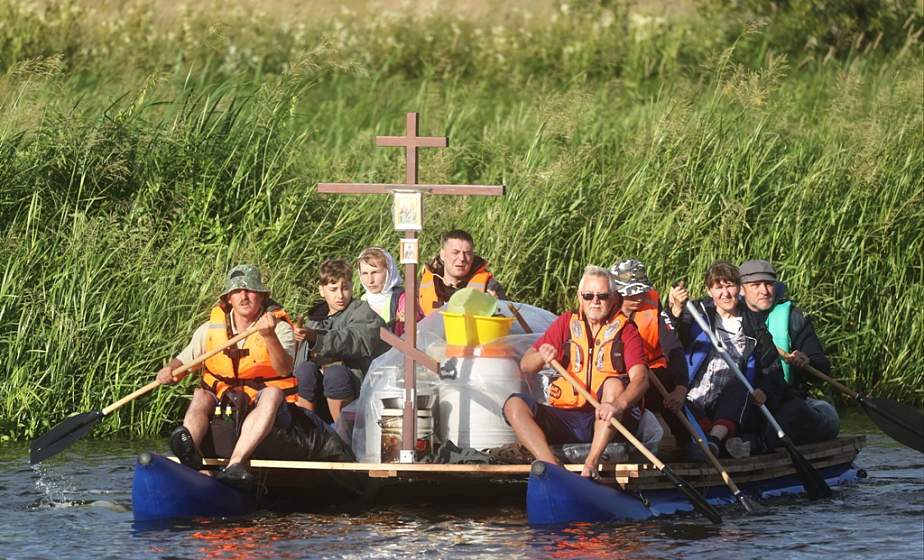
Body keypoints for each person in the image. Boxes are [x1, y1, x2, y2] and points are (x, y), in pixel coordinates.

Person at [156, 264, 298, 484]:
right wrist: (170, 370)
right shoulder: (210, 330)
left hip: (265, 406)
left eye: (250, 290)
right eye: (237, 292)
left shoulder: (279, 328)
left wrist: (269, 337)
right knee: (201, 395)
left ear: (261, 296)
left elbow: (284, 369)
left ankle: (235, 464)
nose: (244, 296)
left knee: (272, 394)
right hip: (226, 404)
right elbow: (183, 362)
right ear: (228, 298)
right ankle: (192, 458)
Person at [504, 265, 650, 479]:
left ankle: (591, 464)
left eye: (602, 296)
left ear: (613, 298)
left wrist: (617, 405)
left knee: (614, 385)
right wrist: (541, 356)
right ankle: (552, 467)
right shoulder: (566, 323)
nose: (595, 302)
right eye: (589, 296)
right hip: (568, 417)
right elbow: (526, 364)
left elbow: (641, 379)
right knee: (513, 405)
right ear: (580, 297)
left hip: (609, 418)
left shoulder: (626, 331)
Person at [667, 261, 786, 458]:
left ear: (739, 288)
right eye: (718, 287)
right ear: (709, 290)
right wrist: (676, 311)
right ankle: (716, 440)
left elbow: (772, 368)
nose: (725, 293)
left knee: (743, 386)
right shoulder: (696, 313)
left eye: (730, 286)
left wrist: (763, 390)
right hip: (692, 396)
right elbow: (672, 338)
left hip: (730, 401)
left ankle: (714, 441)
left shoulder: (754, 325)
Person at [738, 259, 839, 445]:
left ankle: (763, 442)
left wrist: (806, 362)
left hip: (786, 399)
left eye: (769, 284)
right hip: (746, 399)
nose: (764, 291)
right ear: (741, 289)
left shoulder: (793, 317)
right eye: (755, 285)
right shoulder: (730, 315)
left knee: (827, 416)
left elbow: (822, 370)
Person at [610, 259, 693, 454]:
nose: (638, 296)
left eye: (641, 290)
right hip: (614, 376)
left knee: (669, 382)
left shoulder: (652, 306)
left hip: (649, 374)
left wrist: (680, 389)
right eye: (631, 292)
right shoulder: (602, 309)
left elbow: (674, 347)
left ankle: (687, 443)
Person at [293, 259, 389, 422]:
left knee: (335, 374)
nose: (340, 295)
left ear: (352, 287)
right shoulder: (314, 319)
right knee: (305, 370)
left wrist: (317, 338)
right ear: (322, 291)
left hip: (355, 386)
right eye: (333, 289)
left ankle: (344, 435)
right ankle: (307, 428)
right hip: (320, 391)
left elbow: (354, 339)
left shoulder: (362, 312)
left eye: (345, 288)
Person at [419, 229, 505, 316]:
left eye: (467, 253)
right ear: (443, 255)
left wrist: (497, 309)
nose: (462, 258)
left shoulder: (490, 286)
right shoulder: (421, 285)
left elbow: (507, 320)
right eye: (455, 252)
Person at [356, 247, 422, 337]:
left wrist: (409, 321)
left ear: (389, 272)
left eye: (375, 272)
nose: (370, 280)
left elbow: (419, 330)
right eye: (365, 273)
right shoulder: (361, 302)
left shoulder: (403, 301)